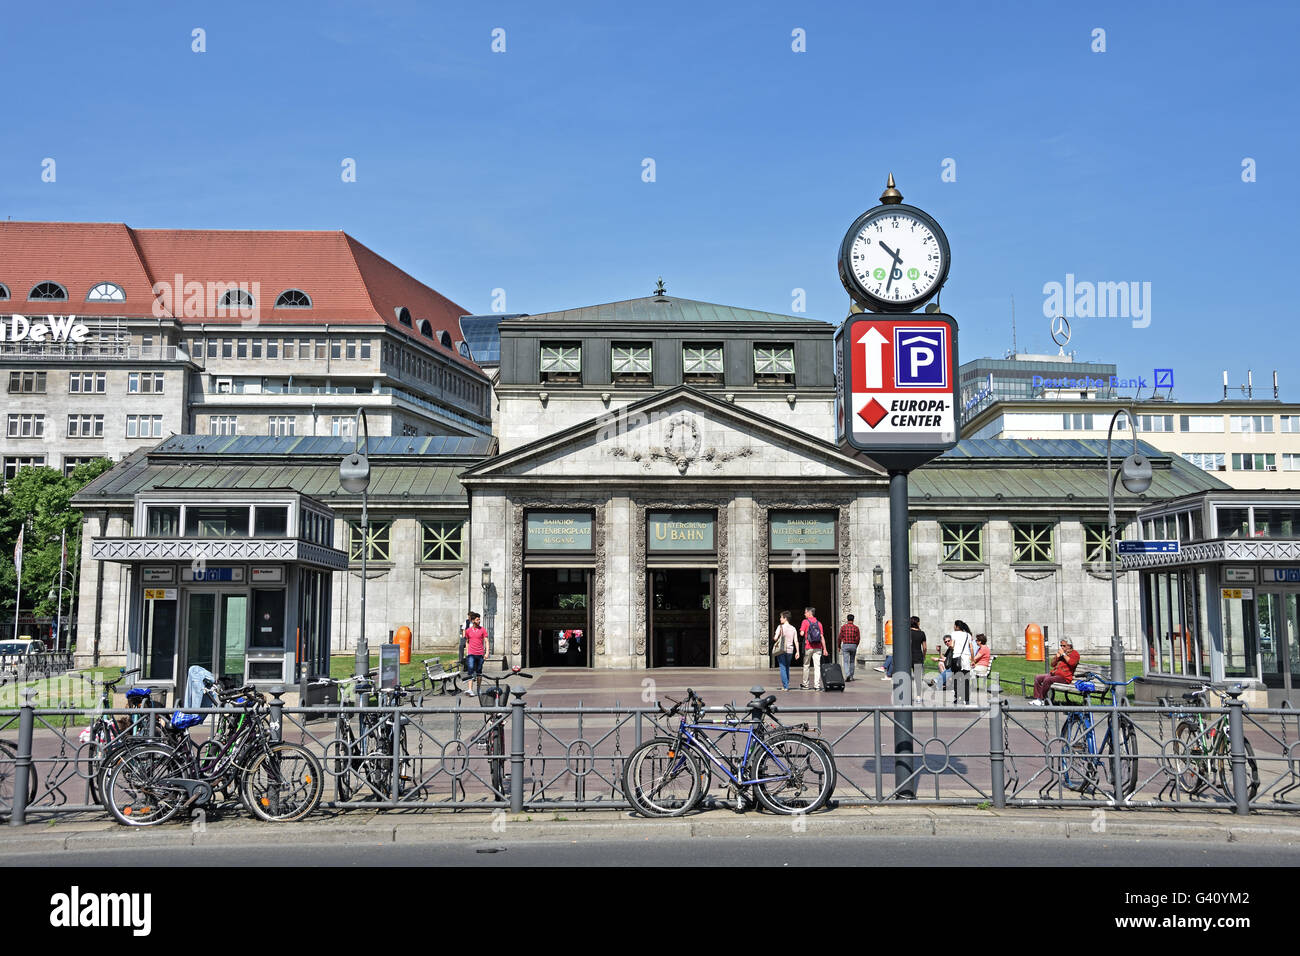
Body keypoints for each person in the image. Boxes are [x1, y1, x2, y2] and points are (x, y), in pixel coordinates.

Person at [1031, 638, 1080, 704]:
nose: (1062, 647)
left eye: (1064, 646)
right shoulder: (1062, 654)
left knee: (1047, 680)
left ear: (1069, 646)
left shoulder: (1075, 654)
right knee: (1038, 677)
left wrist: (1064, 655)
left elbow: (1072, 663)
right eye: (1061, 646)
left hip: (1064, 677)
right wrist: (1056, 657)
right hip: (1055, 674)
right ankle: (1037, 698)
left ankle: (1041, 699)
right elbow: (1052, 664)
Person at [949, 620, 976, 705]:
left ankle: (957, 698)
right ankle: (967, 699)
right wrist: (973, 659)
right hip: (966, 659)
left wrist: (950, 647)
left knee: (956, 679)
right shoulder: (968, 635)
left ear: (957, 626)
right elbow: (971, 648)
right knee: (966, 679)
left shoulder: (954, 634)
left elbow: (952, 646)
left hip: (956, 658)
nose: (953, 627)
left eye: (954, 625)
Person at [463, 611, 489, 697]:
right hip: (471, 654)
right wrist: (467, 651)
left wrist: (487, 652)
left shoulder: (482, 629)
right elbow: (467, 641)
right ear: (473, 621)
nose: (479, 621)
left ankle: (478, 689)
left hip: (480, 654)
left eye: (479, 619)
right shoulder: (468, 631)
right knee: (470, 670)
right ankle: (470, 689)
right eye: (478, 620)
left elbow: (486, 641)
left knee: (479, 672)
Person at [799, 606, 825, 691]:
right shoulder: (819, 623)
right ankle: (817, 685)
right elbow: (821, 636)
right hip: (818, 647)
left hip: (808, 646)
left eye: (805, 612)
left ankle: (805, 684)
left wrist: (801, 631)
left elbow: (802, 634)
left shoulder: (805, 622)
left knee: (806, 665)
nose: (804, 614)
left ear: (809, 613)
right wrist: (825, 649)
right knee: (817, 667)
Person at [772, 610, 799, 691]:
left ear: (785, 618)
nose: (780, 619)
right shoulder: (793, 628)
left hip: (782, 649)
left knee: (782, 667)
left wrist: (775, 635)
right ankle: (786, 684)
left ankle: (785, 686)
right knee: (787, 667)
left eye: (781, 617)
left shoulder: (780, 627)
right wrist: (797, 652)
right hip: (790, 650)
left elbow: (775, 638)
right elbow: (796, 641)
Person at [909, 616, 927, 703]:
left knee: (906, 676)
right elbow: (925, 648)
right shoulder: (921, 633)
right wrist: (924, 656)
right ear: (917, 623)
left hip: (908, 657)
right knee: (918, 678)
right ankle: (919, 696)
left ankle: (906, 695)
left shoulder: (907, 632)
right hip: (918, 657)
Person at [838, 614, 861, 682]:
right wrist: (856, 645)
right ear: (853, 620)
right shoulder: (856, 628)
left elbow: (839, 637)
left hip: (846, 645)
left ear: (847, 619)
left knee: (845, 661)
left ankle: (847, 674)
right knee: (852, 661)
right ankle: (851, 676)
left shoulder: (843, 627)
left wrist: (838, 646)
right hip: (853, 645)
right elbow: (858, 638)